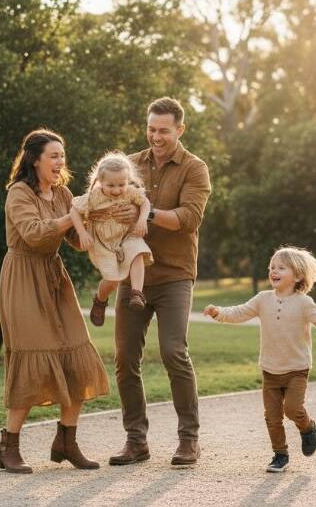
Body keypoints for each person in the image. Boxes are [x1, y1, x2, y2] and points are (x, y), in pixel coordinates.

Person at [103, 97, 212, 467]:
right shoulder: (130, 164)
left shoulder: (195, 169)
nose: (156, 136)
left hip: (174, 275)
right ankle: (136, 440)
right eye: (151, 129)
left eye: (163, 130)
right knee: (124, 359)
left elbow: (190, 217)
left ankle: (189, 440)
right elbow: (106, 201)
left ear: (180, 130)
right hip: (132, 273)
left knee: (173, 352)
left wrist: (143, 216)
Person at [0, 129, 110, 474]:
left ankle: (66, 441)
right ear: (35, 159)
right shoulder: (19, 193)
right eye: (54, 156)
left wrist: (98, 217)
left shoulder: (62, 193)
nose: (61, 162)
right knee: (33, 357)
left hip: (54, 278)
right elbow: (33, 233)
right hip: (23, 278)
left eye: (63, 156)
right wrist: (73, 215)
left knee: (76, 352)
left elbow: (75, 240)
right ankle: (8, 446)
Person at [203, 246, 316, 473]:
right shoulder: (263, 299)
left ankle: (307, 426)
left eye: (281, 268)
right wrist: (218, 312)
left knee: (293, 409)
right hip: (270, 370)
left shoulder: (304, 303)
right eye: (272, 267)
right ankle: (280, 455)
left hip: (297, 369)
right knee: (272, 417)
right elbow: (239, 312)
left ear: (298, 276)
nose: (274, 271)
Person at [70, 151, 154, 327]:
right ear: (100, 181)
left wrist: (141, 219)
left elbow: (145, 203)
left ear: (128, 180)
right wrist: (83, 233)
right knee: (113, 279)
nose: (117, 190)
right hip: (103, 242)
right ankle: (100, 299)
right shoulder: (94, 197)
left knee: (139, 251)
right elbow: (74, 211)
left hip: (126, 236)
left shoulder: (130, 192)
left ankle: (137, 294)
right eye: (111, 185)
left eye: (121, 184)